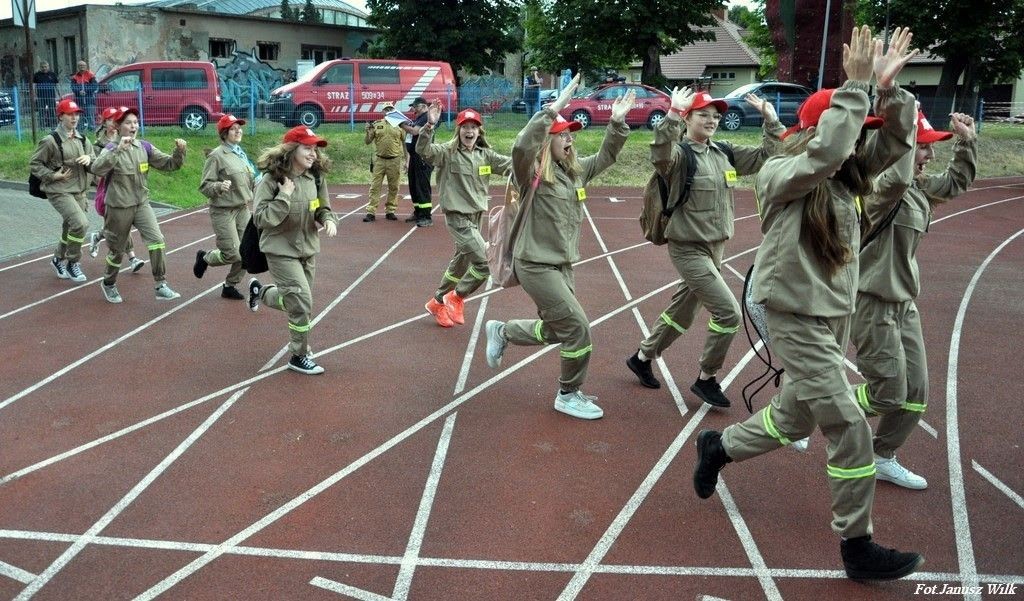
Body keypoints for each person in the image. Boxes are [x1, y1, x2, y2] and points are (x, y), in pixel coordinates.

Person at [692, 26, 926, 581]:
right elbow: (826, 151)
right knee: (848, 423)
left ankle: (718, 447)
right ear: (821, 129)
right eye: (852, 127)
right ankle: (857, 547)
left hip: (830, 318)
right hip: (789, 313)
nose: (859, 142)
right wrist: (856, 88)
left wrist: (888, 96)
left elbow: (894, 143)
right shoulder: (783, 173)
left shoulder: (847, 181)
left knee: (793, 415)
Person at [482, 74, 635, 420]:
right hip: (534, 263)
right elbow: (521, 145)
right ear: (547, 140)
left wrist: (616, 123)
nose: (569, 139)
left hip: (563, 265)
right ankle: (568, 394)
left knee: (557, 329)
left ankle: (503, 331)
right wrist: (553, 109)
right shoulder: (531, 172)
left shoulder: (576, 173)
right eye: (562, 134)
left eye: (571, 134)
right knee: (578, 327)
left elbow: (608, 155)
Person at [626, 87, 785, 408]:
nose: (712, 120)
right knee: (727, 313)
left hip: (716, 248)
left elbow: (768, 156)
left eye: (716, 116)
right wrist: (671, 115)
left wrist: (772, 121)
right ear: (688, 118)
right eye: (703, 115)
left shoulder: (723, 152)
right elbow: (659, 152)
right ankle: (706, 378)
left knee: (683, 310)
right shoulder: (679, 156)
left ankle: (643, 356)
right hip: (688, 248)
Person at [850, 109, 977, 490]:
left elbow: (955, 182)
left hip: (904, 304)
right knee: (888, 391)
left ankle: (881, 455)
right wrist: (903, 131)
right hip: (872, 301)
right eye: (923, 148)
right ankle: (810, 405)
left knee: (916, 392)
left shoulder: (918, 190)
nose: (929, 157)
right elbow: (896, 176)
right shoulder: (876, 190)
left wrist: (966, 142)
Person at [247, 126, 339, 375]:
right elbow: (262, 219)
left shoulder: (316, 178)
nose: (313, 154)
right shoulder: (270, 181)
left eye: (315, 150)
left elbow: (322, 206)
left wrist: (328, 219)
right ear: (291, 150)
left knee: (297, 301)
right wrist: (284, 196)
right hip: (280, 249)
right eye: (307, 148)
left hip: (308, 248)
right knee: (301, 303)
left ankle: (261, 291)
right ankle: (298, 355)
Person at [417, 105, 511, 327]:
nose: (469, 131)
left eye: (474, 127)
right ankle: (456, 297)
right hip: (458, 218)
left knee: (459, 265)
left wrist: (535, 159)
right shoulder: (447, 153)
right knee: (485, 263)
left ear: (480, 131)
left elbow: (511, 165)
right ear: (458, 130)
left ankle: (437, 302)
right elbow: (424, 151)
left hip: (476, 218)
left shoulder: (485, 155)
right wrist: (429, 125)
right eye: (465, 127)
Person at [90, 107, 187, 303]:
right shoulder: (110, 149)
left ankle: (161, 284)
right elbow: (96, 168)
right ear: (118, 127)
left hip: (141, 204)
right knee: (116, 251)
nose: (133, 126)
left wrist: (179, 152)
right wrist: (118, 150)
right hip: (118, 207)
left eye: (135, 122)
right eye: (128, 122)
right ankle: (108, 283)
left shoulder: (144, 147)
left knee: (157, 240)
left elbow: (170, 165)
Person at [29, 98, 95, 284]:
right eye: (70, 114)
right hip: (59, 190)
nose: (74, 118)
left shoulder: (83, 139)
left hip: (79, 190)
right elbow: (35, 164)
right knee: (80, 224)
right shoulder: (51, 141)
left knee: (70, 227)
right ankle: (72, 262)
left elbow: (93, 158)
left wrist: (88, 158)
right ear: (60, 116)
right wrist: (52, 175)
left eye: (76, 114)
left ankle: (58, 259)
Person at [193, 114, 256, 300]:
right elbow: (204, 186)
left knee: (248, 252)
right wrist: (218, 186)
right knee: (232, 254)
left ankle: (229, 286)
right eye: (233, 128)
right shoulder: (216, 156)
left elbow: (251, 179)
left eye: (239, 127)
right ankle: (205, 258)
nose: (238, 131)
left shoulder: (240, 153)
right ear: (224, 133)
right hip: (223, 211)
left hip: (242, 209)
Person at [87, 106, 146, 273]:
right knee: (120, 226)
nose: (114, 122)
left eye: (116, 119)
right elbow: (96, 168)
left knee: (118, 226)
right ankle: (132, 258)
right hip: (108, 189)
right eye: (110, 119)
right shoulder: (100, 144)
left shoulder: (130, 139)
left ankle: (98, 237)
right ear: (105, 123)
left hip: (127, 189)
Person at [362, 101, 404, 222]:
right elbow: (367, 141)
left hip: (394, 160)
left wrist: (407, 159)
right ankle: (371, 211)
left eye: (391, 109)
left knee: (394, 186)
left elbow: (405, 143)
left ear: (394, 111)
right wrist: (367, 131)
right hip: (379, 160)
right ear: (383, 112)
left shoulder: (400, 125)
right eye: (386, 109)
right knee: (375, 186)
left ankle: (390, 210)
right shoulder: (376, 124)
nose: (388, 111)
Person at [399, 97, 434, 226]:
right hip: (414, 157)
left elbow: (414, 131)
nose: (413, 109)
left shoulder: (426, 117)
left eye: (415, 106)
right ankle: (418, 211)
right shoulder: (418, 118)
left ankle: (426, 216)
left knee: (422, 186)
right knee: (413, 185)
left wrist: (401, 124)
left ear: (424, 106)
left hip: (423, 158)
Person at [71, 61, 98, 130]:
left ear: (86, 66)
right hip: (79, 100)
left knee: (90, 115)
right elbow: (73, 87)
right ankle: (80, 129)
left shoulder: (91, 75)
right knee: (79, 116)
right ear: (78, 67)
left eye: (83, 66)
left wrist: (86, 91)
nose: (82, 67)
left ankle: (92, 129)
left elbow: (94, 86)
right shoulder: (75, 77)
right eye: (80, 66)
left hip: (89, 99)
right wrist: (79, 92)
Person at [33, 61, 59, 129]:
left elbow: (57, 86)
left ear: (48, 67)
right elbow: (34, 86)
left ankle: (53, 126)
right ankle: (42, 127)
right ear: (40, 67)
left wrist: (59, 95)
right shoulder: (36, 75)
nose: (44, 68)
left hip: (51, 96)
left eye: (45, 67)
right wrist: (34, 95)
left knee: (52, 112)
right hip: (40, 97)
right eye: (42, 67)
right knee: (41, 112)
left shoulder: (52, 74)